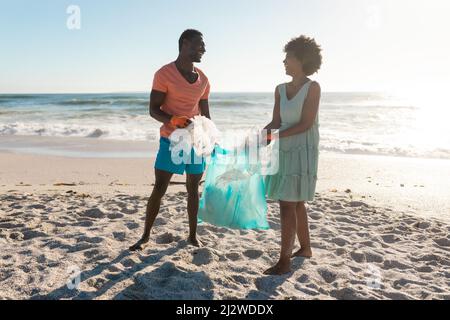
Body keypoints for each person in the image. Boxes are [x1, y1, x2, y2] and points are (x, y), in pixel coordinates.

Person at [130, 29, 211, 251]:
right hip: (171, 140)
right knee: (160, 187)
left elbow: (206, 116)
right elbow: (153, 110)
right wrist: (172, 119)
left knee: (193, 188)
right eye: (199, 45)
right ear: (185, 44)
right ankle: (145, 236)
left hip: (195, 142)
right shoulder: (164, 74)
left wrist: (210, 140)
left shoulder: (203, 79)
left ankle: (193, 236)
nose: (203, 49)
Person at [263, 35, 322, 275]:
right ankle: (305, 249)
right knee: (294, 201)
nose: (284, 61)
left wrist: (276, 137)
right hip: (284, 148)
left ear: (301, 59)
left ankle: (284, 261)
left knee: (288, 204)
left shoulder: (313, 88)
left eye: (288, 57)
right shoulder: (279, 89)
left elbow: (307, 123)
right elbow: (276, 121)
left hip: (302, 148)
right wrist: (259, 138)